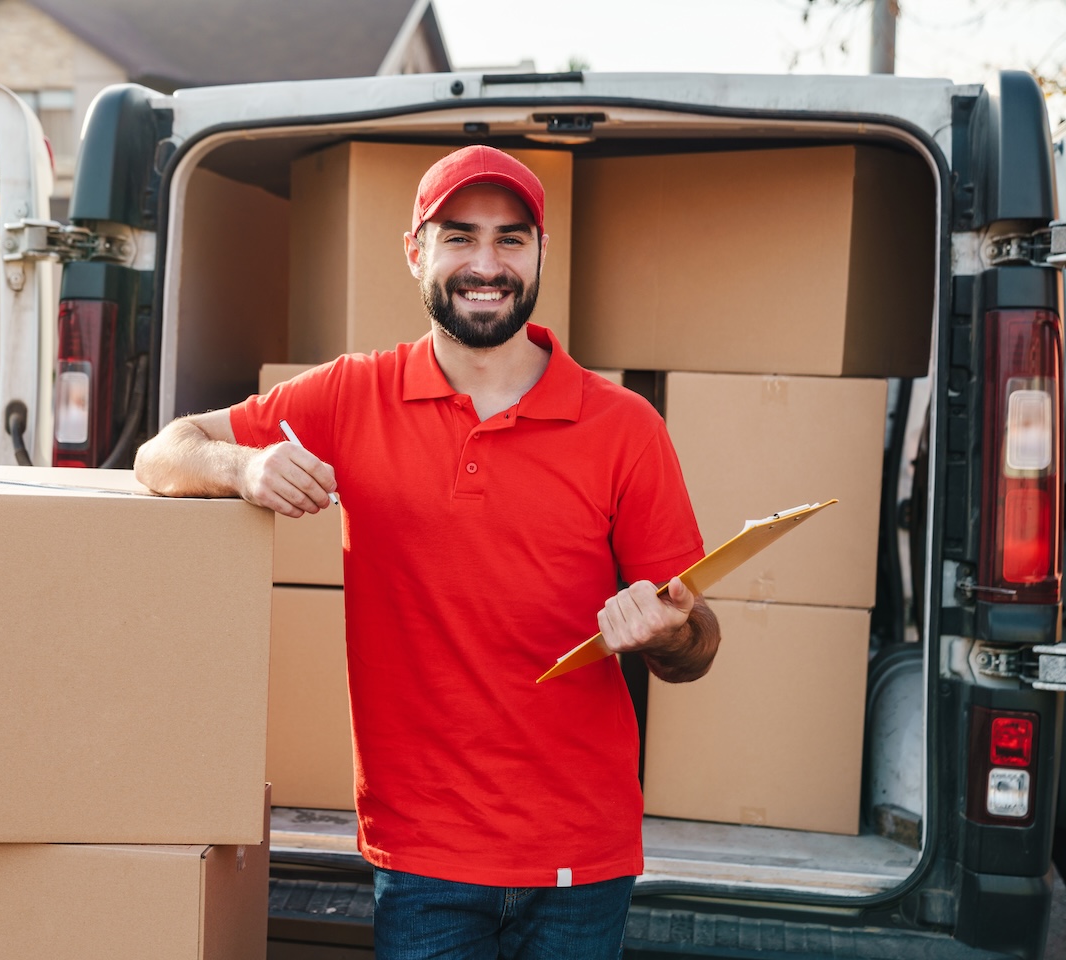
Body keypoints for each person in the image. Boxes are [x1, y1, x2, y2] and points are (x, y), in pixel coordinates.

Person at [136, 145, 721, 959]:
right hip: (425, 861)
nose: (487, 264)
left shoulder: (623, 427)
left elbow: (697, 647)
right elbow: (160, 453)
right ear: (416, 250)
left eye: (512, 239)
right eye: (460, 237)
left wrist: (664, 633)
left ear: (541, 254)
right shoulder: (350, 395)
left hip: (582, 860)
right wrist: (247, 466)